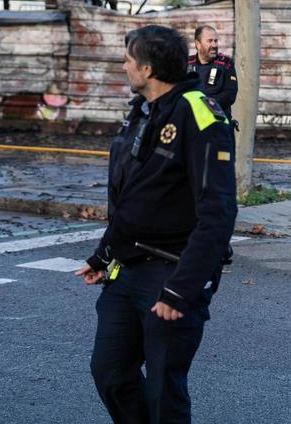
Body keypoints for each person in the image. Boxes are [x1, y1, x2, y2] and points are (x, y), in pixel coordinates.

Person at [76, 24, 237, 424]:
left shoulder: (199, 112)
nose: (124, 67)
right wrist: (104, 255)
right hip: (127, 268)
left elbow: (218, 213)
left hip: (172, 270)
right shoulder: (143, 110)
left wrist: (181, 289)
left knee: (164, 390)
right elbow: (134, 196)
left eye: (128, 60)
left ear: (147, 69)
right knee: (110, 373)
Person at [187, 24, 238, 119]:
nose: (214, 45)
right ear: (198, 44)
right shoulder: (187, 63)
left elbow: (229, 95)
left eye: (216, 41)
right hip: (192, 121)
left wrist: (203, 106)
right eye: (209, 41)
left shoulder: (226, 63)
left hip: (218, 122)